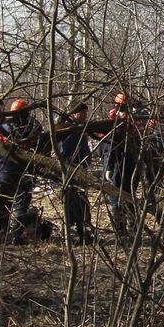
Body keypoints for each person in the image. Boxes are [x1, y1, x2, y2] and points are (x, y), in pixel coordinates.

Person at [0, 97, 43, 242]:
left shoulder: (3, 126)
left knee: (4, 201)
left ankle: (1, 233)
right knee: (22, 201)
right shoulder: (33, 126)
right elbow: (41, 145)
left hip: (5, 168)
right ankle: (16, 234)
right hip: (26, 168)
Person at [103, 92, 146, 237]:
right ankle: (125, 228)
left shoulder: (122, 119)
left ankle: (126, 228)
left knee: (121, 194)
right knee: (126, 194)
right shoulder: (134, 119)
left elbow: (109, 144)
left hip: (123, 161)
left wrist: (108, 166)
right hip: (125, 162)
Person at [55, 103, 94, 244]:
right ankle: (73, 231)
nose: (85, 116)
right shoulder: (66, 129)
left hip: (80, 169)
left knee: (81, 199)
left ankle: (83, 230)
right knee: (72, 200)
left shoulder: (80, 130)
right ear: (75, 114)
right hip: (69, 169)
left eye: (85, 113)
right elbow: (64, 151)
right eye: (82, 113)